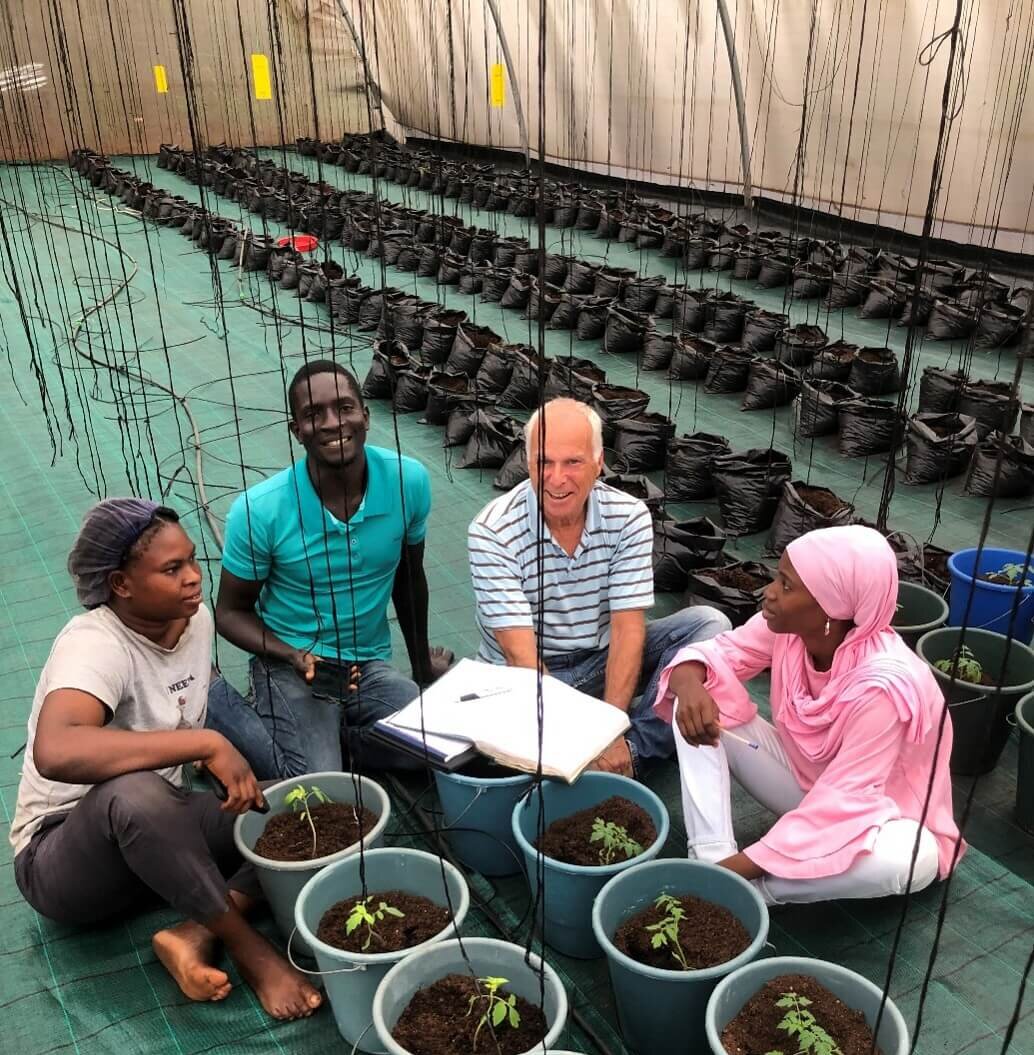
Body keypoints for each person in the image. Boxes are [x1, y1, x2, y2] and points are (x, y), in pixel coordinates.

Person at [11, 499, 322, 1020]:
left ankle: (193, 933)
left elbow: (171, 714)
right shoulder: (95, 645)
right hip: (68, 862)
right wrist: (204, 744)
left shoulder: (194, 620)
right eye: (172, 568)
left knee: (305, 804)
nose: (194, 579)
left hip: (163, 839)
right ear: (120, 584)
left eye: (194, 560)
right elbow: (56, 750)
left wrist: (202, 754)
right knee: (134, 793)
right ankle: (252, 952)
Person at [657, 524, 964, 904]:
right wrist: (688, 687)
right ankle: (711, 857)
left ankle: (753, 893)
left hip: (876, 817)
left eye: (786, 586)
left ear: (831, 608)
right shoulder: (789, 630)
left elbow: (842, 804)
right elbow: (715, 655)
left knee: (908, 857)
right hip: (809, 787)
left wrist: (733, 875)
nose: (768, 593)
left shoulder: (883, 689)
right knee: (695, 703)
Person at [209, 360, 452, 778]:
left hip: (367, 666)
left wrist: (421, 669)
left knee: (443, 747)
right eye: (312, 414)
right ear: (296, 429)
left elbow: (408, 579)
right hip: (292, 668)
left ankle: (338, 738)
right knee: (318, 787)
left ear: (366, 415)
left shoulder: (407, 482)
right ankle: (218, 705)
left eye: (344, 408)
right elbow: (230, 613)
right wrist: (292, 654)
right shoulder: (258, 511)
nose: (331, 423)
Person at [467, 397, 730, 779]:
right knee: (498, 747)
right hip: (527, 680)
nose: (557, 479)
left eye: (572, 462)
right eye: (544, 462)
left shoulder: (628, 517)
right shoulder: (493, 531)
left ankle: (629, 751)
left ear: (598, 461)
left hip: (599, 661)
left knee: (709, 624)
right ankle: (619, 757)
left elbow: (627, 628)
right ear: (527, 463)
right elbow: (519, 656)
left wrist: (610, 729)